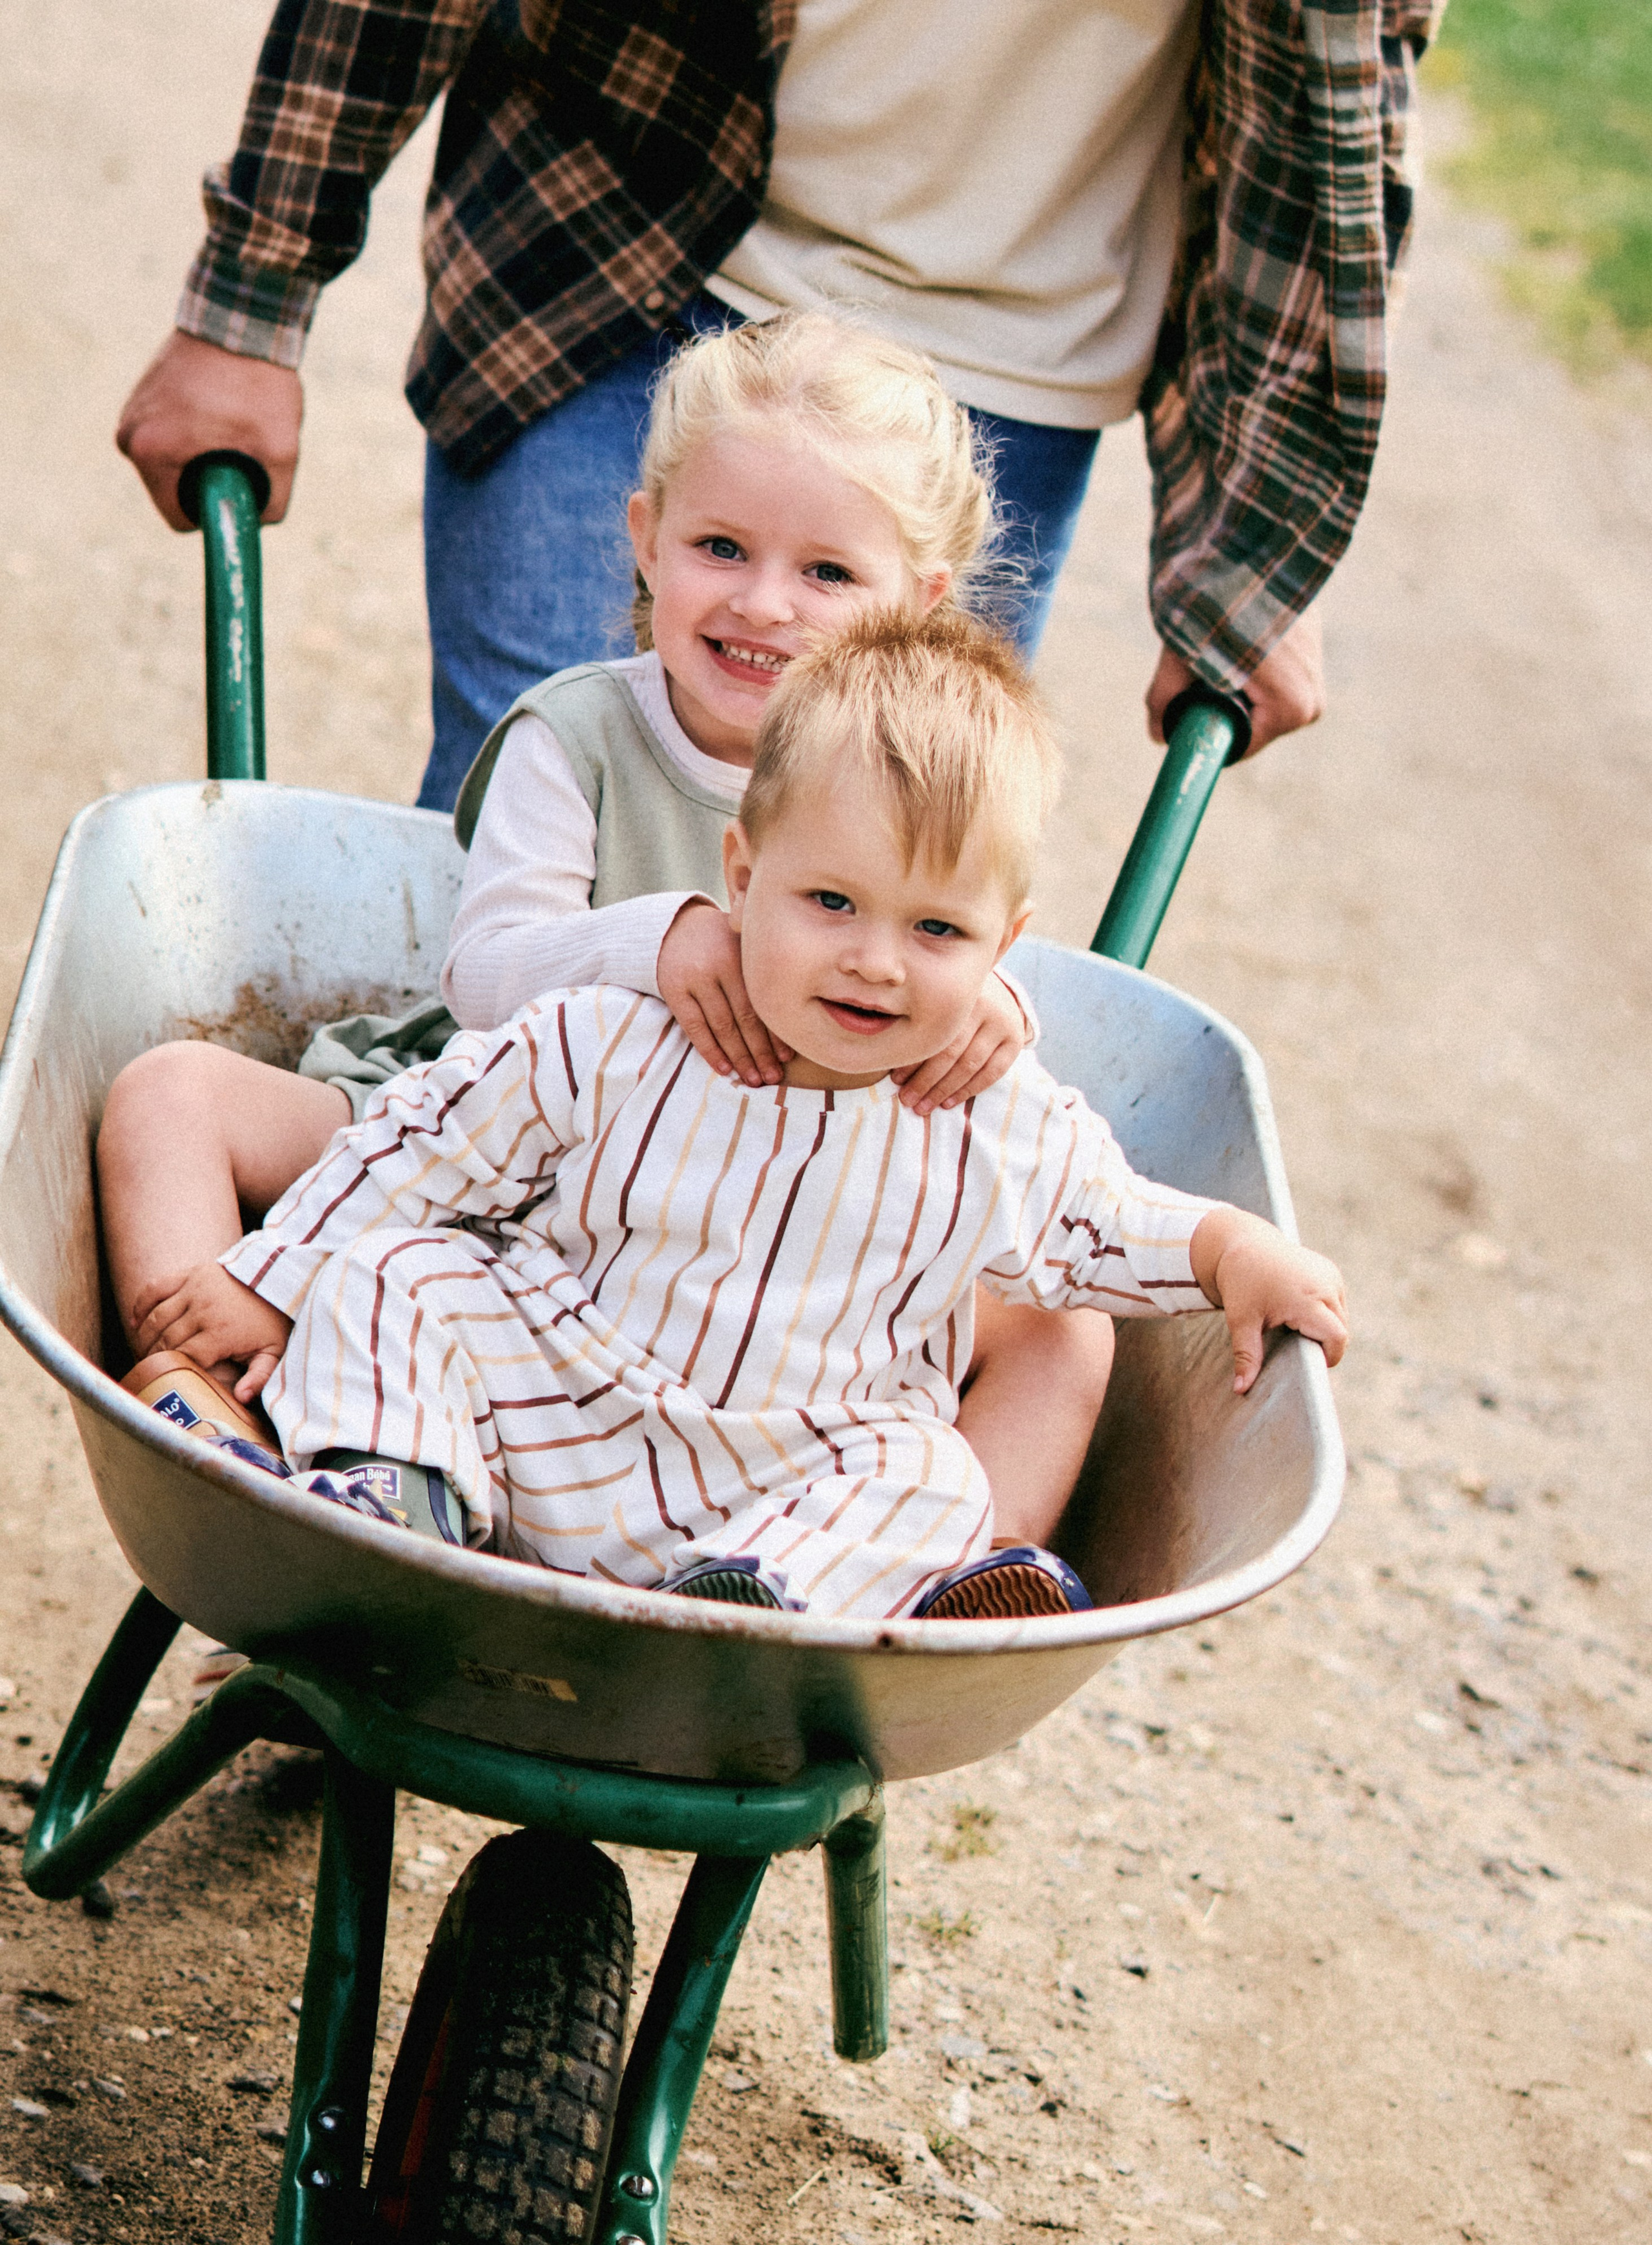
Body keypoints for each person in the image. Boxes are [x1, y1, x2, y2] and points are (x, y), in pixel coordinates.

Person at [102, 314, 1114, 1557]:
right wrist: (660, 937)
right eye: (722, 547)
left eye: (829, 575)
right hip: (508, 1164)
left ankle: (938, 1578)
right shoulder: (578, 734)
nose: (763, 604)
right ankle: (215, 1400)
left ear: (923, 604)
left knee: (1067, 1328)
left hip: (757, 1233)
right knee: (170, 1095)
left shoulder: (931, 781)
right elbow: (484, 976)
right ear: (648, 540)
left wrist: (990, 1014)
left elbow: (954, 968)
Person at [129, 610, 1349, 1620]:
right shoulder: (612, 1037)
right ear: (744, 876)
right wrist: (276, 1276)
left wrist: (1233, 1250)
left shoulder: (989, 1116)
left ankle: (756, 1605)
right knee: (406, 1268)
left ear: (1005, 949)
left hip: (784, 1477)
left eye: (936, 931)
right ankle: (397, 1499)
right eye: (832, 902)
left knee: (927, 1469)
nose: (876, 962)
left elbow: (1105, 1222)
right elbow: (423, 1146)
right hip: (561, 1411)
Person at [113, 0, 1440, 809]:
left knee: (867, 858)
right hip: (625, 233)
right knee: (545, 787)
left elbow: (1333, 115)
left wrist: (1257, 546)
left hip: (1003, 351)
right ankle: (451, 1234)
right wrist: (249, 297)